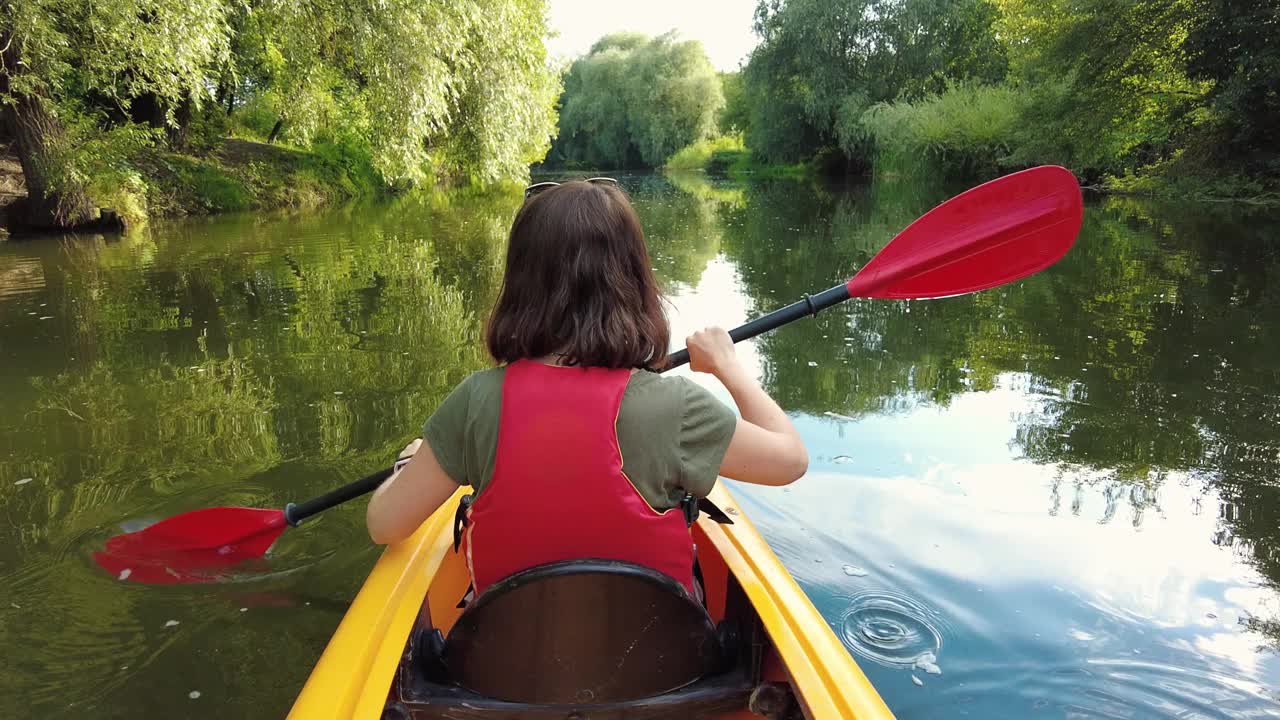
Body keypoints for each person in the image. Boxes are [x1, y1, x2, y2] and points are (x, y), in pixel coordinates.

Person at [365, 178, 807, 598]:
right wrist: (728, 366)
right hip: (659, 669)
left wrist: (412, 465)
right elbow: (789, 461)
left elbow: (383, 525)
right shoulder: (679, 408)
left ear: (520, 286)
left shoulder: (473, 403)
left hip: (511, 670)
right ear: (634, 282)